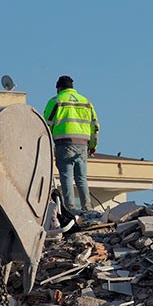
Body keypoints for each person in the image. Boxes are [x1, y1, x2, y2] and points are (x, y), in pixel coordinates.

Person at [43, 75, 99, 214]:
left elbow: (45, 125)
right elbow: (95, 126)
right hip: (83, 145)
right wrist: (93, 145)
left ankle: (70, 208)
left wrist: (44, 144)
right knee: (81, 178)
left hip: (64, 143)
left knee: (66, 176)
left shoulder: (56, 101)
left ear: (59, 88)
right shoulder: (86, 102)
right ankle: (87, 208)